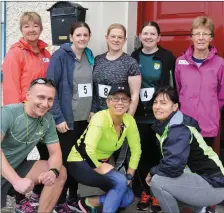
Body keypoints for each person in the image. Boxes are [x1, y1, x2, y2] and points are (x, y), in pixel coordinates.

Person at [145, 86, 224, 213]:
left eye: (163, 103)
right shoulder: (169, 125)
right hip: (206, 181)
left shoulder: (178, 129)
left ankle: (201, 208)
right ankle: (201, 210)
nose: (157, 106)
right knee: (161, 183)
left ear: (175, 107)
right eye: (155, 102)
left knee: (157, 181)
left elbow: (173, 166)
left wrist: (152, 171)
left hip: (214, 185)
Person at [65, 85, 142, 213]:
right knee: (120, 181)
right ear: (107, 101)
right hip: (80, 161)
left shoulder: (129, 121)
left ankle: (88, 203)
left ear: (129, 103)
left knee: (128, 197)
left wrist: (129, 175)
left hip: (101, 164)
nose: (120, 103)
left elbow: (136, 150)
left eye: (124, 99)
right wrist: (99, 167)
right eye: (115, 99)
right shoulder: (100, 117)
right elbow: (86, 149)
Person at [46, 22, 94, 213]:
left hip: (85, 120)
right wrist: (57, 117)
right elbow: (51, 87)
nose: (82, 38)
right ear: (71, 36)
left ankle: (73, 198)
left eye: (85, 35)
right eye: (79, 35)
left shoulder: (89, 56)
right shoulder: (60, 56)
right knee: (64, 161)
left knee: (78, 160)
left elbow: (94, 85)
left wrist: (94, 109)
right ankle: (58, 200)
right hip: (67, 121)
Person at [1, 78, 67, 213]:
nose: (45, 103)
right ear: (28, 95)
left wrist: (52, 171)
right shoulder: (8, 113)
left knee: (60, 172)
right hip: (5, 169)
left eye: (50, 99)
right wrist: (16, 181)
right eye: (41, 97)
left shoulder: (47, 120)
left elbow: (55, 153)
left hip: (16, 167)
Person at [131, 21, 176, 212]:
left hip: (160, 117)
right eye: (145, 33)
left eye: (152, 34)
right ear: (140, 36)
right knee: (141, 155)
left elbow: (173, 86)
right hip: (139, 116)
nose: (148, 37)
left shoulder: (167, 57)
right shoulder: (133, 56)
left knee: (160, 156)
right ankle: (144, 192)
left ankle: (158, 193)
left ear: (158, 37)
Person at [91, 23, 141, 177]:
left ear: (125, 40)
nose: (116, 40)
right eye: (113, 36)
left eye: (120, 37)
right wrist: (92, 111)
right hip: (100, 117)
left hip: (119, 119)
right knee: (99, 156)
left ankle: (125, 188)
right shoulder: (98, 60)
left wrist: (127, 120)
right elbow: (93, 89)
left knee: (121, 157)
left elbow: (134, 93)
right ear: (107, 38)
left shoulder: (130, 63)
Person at [175, 16, 224, 147]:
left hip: (208, 124)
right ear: (192, 37)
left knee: (204, 164)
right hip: (185, 123)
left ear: (211, 37)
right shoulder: (180, 62)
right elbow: (178, 89)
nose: (201, 38)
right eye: (197, 33)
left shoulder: (220, 64)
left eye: (205, 34)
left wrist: (210, 110)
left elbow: (221, 96)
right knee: (184, 163)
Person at [2, 12, 50, 105]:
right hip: (25, 110)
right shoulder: (15, 53)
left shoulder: (46, 54)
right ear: (21, 30)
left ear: (41, 29)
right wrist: (15, 114)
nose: (31, 30)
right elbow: (11, 88)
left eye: (35, 26)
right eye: (26, 26)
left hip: (44, 108)